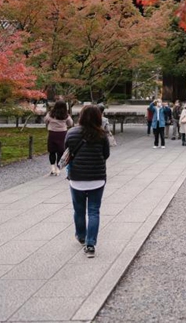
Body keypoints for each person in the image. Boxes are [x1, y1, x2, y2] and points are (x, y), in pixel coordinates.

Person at [64, 105, 110, 258]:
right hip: (97, 178)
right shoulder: (102, 135)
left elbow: (67, 151)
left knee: (78, 209)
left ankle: (81, 235)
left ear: (81, 116)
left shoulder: (71, 133)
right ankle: (90, 244)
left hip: (77, 178)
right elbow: (106, 155)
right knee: (94, 211)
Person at [45, 100, 73, 176]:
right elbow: (70, 123)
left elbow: (46, 120)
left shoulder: (50, 114)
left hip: (52, 134)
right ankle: (58, 168)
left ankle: (52, 168)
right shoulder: (66, 115)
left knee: (52, 151)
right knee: (60, 152)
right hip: (62, 134)